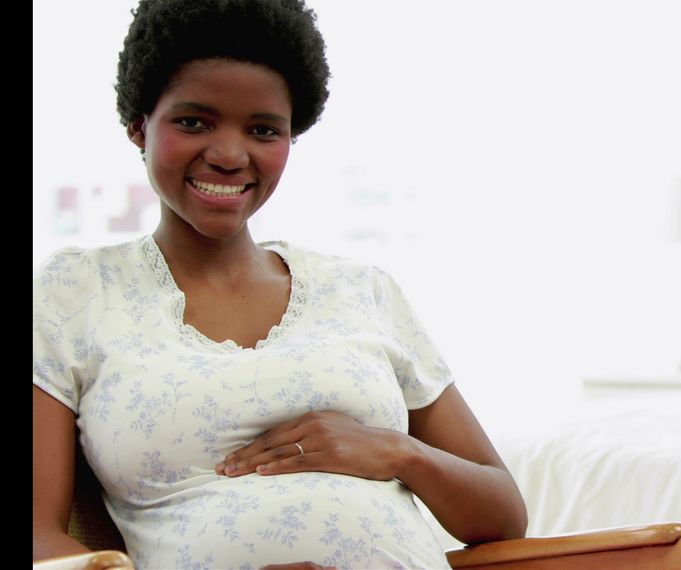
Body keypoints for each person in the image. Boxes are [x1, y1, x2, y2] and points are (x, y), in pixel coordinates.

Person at [32, 0, 528, 568]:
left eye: (264, 129)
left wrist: (398, 452)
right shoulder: (74, 292)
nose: (227, 154)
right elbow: (36, 538)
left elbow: (503, 514)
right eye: (193, 121)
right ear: (139, 127)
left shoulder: (361, 289)